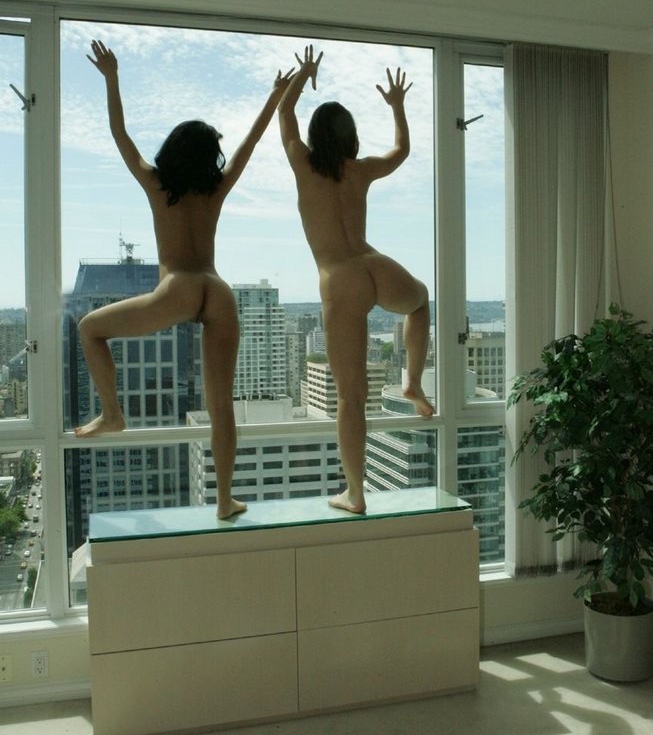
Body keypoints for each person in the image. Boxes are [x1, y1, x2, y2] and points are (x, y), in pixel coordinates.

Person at [75, 39, 294, 519]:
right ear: (207, 156)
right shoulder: (216, 188)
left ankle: (112, 414)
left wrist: (112, 78)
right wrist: (275, 96)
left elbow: (120, 134)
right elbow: (249, 144)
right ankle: (225, 500)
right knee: (221, 406)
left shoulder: (157, 184)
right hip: (218, 290)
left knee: (89, 328)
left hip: (178, 288)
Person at [278, 45, 434, 515]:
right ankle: (412, 382)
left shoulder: (304, 164)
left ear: (316, 136)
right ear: (350, 138)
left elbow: (284, 111)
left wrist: (303, 74)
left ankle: (355, 492)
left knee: (350, 397)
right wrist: (398, 106)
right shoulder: (360, 170)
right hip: (372, 264)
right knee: (420, 300)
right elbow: (401, 151)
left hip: (339, 278)